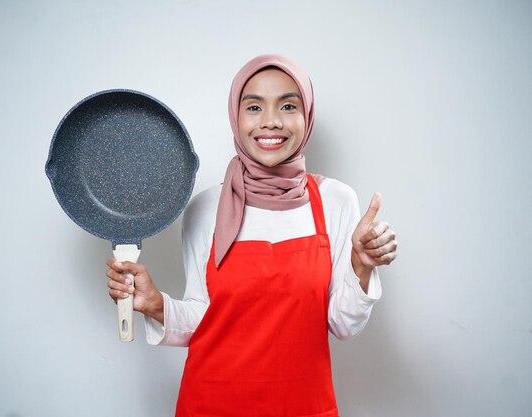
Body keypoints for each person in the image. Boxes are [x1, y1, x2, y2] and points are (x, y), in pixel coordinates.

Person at [106, 54, 397, 417]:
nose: (271, 121)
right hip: (210, 404)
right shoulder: (206, 207)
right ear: (236, 115)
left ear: (307, 117)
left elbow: (342, 324)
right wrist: (154, 303)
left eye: (288, 105)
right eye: (254, 106)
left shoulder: (335, 202)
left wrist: (361, 266)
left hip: (302, 407)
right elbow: (205, 318)